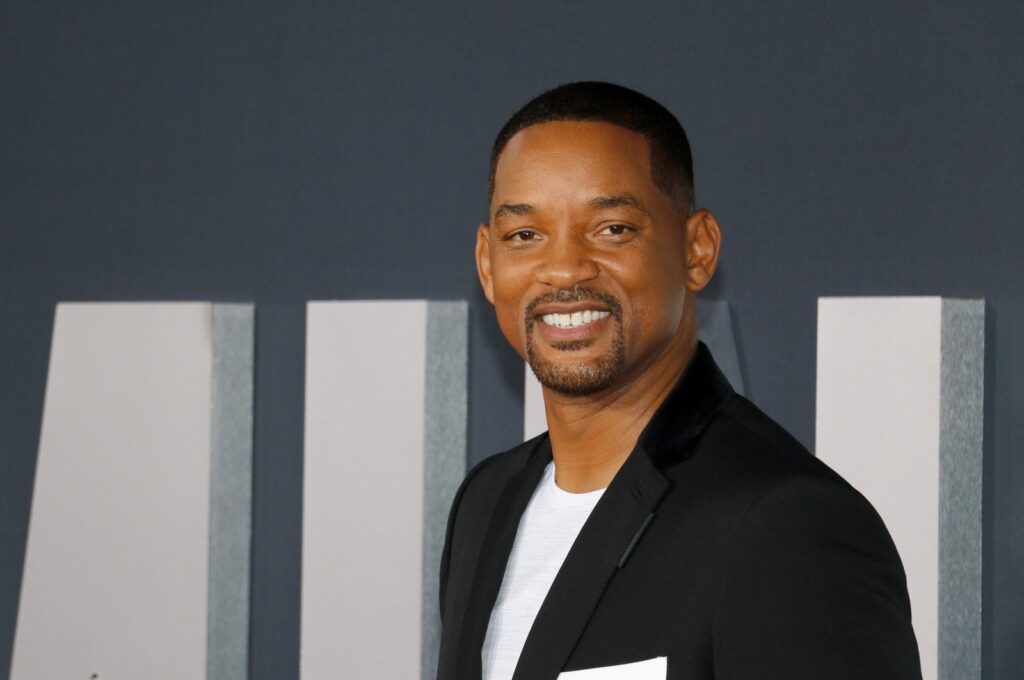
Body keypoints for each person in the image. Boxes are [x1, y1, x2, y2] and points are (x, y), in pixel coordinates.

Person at [436, 81, 922, 680]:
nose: (563, 268)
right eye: (524, 236)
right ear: (488, 265)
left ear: (697, 249)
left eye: (611, 228)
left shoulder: (785, 524)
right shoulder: (485, 503)